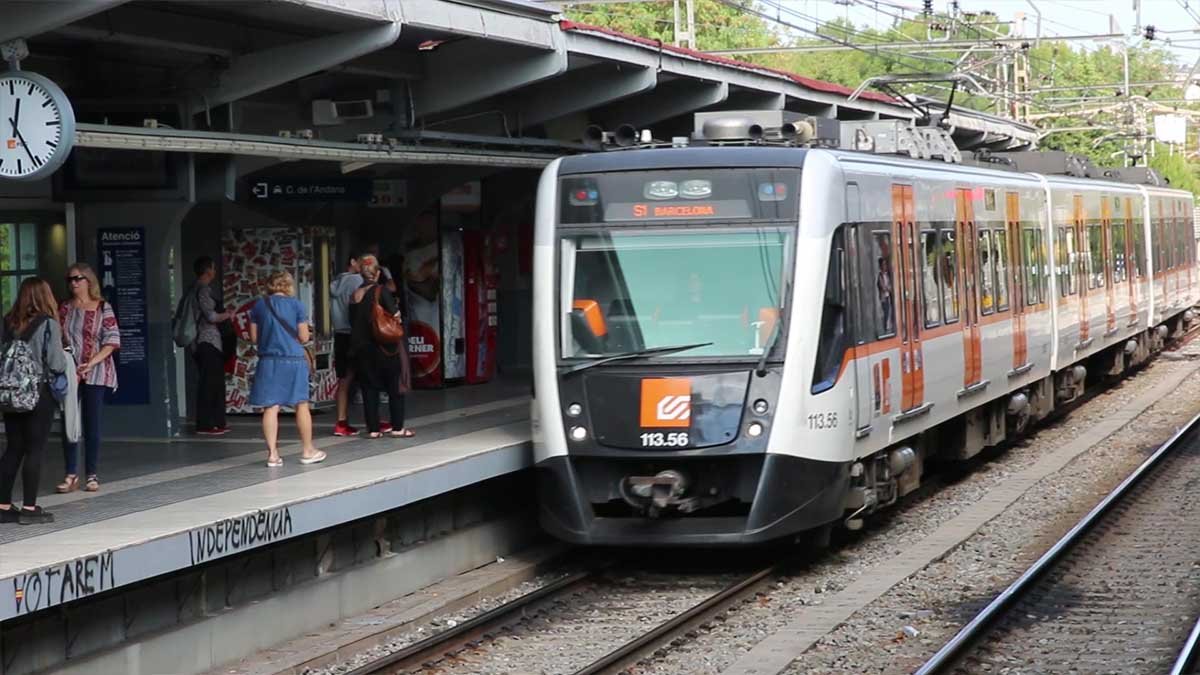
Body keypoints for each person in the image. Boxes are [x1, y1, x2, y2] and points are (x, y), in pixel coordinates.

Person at [0, 278, 68, 524]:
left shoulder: (7, 322)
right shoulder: (48, 325)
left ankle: (3, 505)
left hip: (10, 395)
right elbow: (57, 363)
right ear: (45, 296)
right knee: (35, 450)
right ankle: (30, 509)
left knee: (13, 448)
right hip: (39, 395)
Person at [248, 270, 325, 467]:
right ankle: (308, 451)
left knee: (271, 407)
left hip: (268, 361)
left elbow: (254, 338)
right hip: (293, 360)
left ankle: (273, 455)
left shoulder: (259, 306)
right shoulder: (297, 305)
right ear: (288, 285)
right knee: (301, 404)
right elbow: (304, 338)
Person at [57, 263, 119, 494]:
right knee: (70, 423)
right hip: (70, 373)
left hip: (96, 371)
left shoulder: (103, 307)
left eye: (78, 278)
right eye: (70, 279)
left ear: (89, 281)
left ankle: (91, 474)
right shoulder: (65, 308)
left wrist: (90, 362)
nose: (73, 283)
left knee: (92, 424)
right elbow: (59, 339)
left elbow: (112, 340)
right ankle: (71, 473)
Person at [350, 256, 414, 439]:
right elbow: (396, 316)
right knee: (395, 387)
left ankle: (373, 430)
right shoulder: (381, 291)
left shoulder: (354, 295)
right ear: (377, 273)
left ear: (362, 274)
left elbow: (352, 321)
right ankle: (397, 427)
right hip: (385, 348)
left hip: (361, 349)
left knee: (369, 389)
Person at [192, 256, 233, 435]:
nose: (215, 272)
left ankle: (216, 421)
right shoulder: (203, 290)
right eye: (214, 268)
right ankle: (206, 423)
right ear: (208, 270)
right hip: (207, 341)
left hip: (208, 343)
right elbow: (211, 316)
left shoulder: (196, 290)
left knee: (214, 382)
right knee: (210, 383)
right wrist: (228, 314)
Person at [330, 254, 362, 437]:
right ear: (353, 262)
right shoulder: (358, 280)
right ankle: (372, 420)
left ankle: (341, 422)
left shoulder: (334, 282)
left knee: (344, 380)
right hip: (356, 334)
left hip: (339, 334)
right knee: (366, 376)